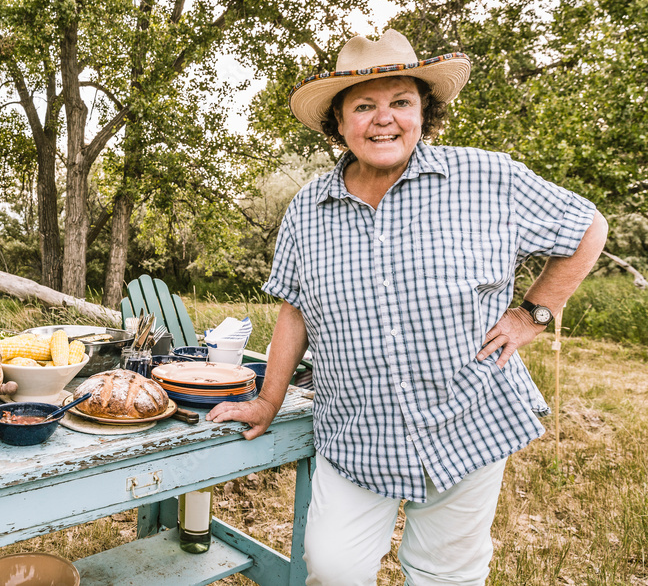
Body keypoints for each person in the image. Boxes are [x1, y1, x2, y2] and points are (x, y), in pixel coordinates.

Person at [206, 29, 608, 585]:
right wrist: (267, 400)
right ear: (339, 123)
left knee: (446, 573)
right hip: (358, 429)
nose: (384, 119)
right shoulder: (308, 208)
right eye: (364, 106)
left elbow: (588, 228)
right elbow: (294, 309)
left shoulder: (486, 177)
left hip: (468, 418)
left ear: (424, 112)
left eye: (401, 102)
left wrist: (531, 314)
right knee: (332, 566)